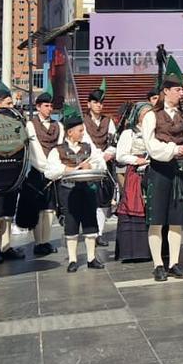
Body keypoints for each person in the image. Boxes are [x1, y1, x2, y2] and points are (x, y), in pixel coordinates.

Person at [142, 74, 183, 281]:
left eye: (181, 89)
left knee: (177, 221)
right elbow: (151, 147)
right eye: (177, 89)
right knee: (157, 221)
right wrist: (175, 149)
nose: (182, 93)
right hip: (160, 172)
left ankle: (173, 264)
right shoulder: (152, 116)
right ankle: (158, 264)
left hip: (180, 172)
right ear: (166, 91)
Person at [46, 114, 106, 272]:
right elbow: (50, 172)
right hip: (68, 192)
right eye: (80, 130)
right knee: (71, 223)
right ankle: (73, 259)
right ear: (70, 132)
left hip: (87, 189)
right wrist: (67, 169)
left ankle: (91, 258)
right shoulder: (57, 151)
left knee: (90, 222)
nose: (82, 133)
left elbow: (100, 162)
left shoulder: (88, 147)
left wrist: (91, 166)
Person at [0, 84, 25, 265]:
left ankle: (6, 247)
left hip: (12, 171)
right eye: (8, 103)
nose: (11, 106)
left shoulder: (15, 119)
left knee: (7, 213)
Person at [22, 92, 62, 256]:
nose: (49, 108)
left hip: (53, 172)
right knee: (38, 209)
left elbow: (61, 148)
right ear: (38, 107)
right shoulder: (31, 125)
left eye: (51, 106)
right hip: (37, 172)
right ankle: (38, 242)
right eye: (46, 106)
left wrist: (54, 169)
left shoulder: (58, 125)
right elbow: (34, 150)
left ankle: (45, 241)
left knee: (50, 209)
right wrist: (45, 168)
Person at [114, 103, 153, 263]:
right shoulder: (129, 133)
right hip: (136, 173)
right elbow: (120, 156)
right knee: (134, 205)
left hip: (153, 171)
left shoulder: (155, 132)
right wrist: (136, 159)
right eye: (145, 114)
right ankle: (133, 251)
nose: (148, 117)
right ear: (138, 116)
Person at [81, 85, 118, 247]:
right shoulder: (82, 121)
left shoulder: (108, 121)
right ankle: (90, 231)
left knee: (103, 199)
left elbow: (114, 142)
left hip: (105, 165)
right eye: (95, 102)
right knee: (89, 200)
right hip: (88, 165)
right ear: (88, 104)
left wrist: (110, 153)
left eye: (101, 103)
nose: (98, 105)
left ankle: (99, 233)